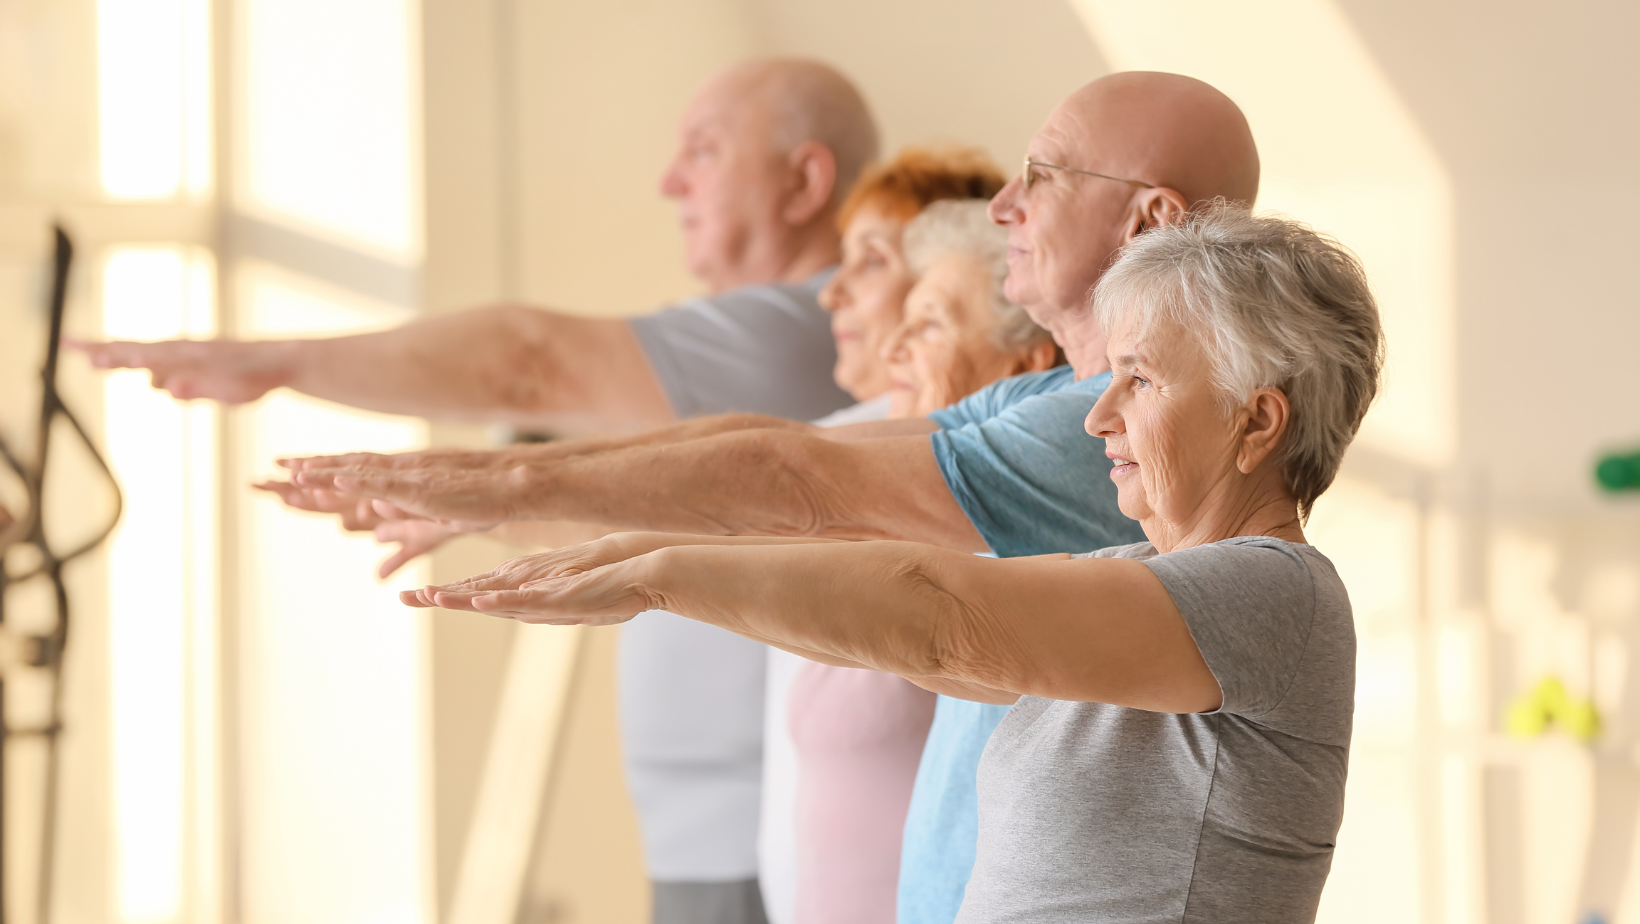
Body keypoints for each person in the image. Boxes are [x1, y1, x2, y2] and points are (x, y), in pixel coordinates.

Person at [275, 71, 1260, 921]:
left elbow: (807, 492)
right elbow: (790, 454)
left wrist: (549, 506)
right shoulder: (1047, 399)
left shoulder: (1102, 430)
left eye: (1042, 176)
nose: (1008, 201)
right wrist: (509, 496)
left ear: (1149, 222)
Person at [403, 204, 1385, 923]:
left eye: (1140, 379)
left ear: (1257, 421)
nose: (1098, 415)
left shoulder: (1274, 594)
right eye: (1106, 374)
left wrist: (659, 573)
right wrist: (639, 554)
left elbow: (941, 615)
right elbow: (932, 652)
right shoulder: (1127, 567)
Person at [75, 57, 880, 924]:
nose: (669, 180)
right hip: (713, 835)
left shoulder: (802, 332)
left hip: (755, 841)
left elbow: (528, 363)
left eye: (705, 151)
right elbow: (669, 517)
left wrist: (280, 361)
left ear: (804, 180)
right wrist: (478, 502)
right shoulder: (767, 340)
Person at [784, 198, 1058, 924]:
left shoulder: (1016, 556)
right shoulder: (899, 520)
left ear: (1027, 369)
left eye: (930, 321)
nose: (894, 345)